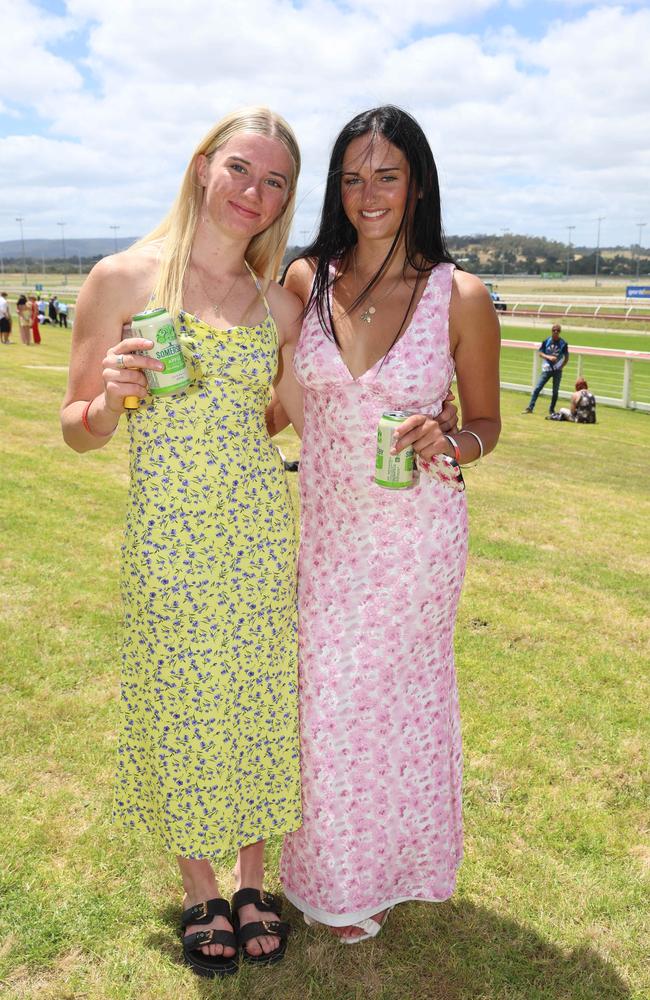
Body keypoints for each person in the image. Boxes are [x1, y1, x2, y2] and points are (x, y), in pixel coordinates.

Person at [61, 107, 307, 978]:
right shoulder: (121, 279)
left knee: (254, 700)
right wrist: (113, 396)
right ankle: (199, 887)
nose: (255, 192)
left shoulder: (277, 299)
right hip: (169, 531)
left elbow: (299, 415)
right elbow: (76, 428)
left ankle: (251, 881)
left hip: (257, 531)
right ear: (204, 165)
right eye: (242, 168)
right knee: (180, 701)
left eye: (276, 181)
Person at [277, 106, 501, 941]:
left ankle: (387, 871)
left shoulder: (461, 295)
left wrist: (453, 437)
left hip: (417, 539)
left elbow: (487, 421)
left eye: (387, 174)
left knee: (392, 704)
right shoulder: (309, 281)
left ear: (418, 183)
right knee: (327, 703)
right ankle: (333, 877)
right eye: (352, 177)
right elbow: (277, 405)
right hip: (329, 535)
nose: (369, 193)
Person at [523, 323, 569, 414]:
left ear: (560, 332)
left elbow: (566, 357)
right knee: (537, 388)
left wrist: (561, 366)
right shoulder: (546, 341)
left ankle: (551, 410)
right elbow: (540, 353)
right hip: (547, 369)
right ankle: (530, 407)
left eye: (558, 330)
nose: (556, 332)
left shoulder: (563, 344)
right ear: (551, 331)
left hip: (557, 370)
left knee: (555, 392)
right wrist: (548, 357)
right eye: (554, 330)